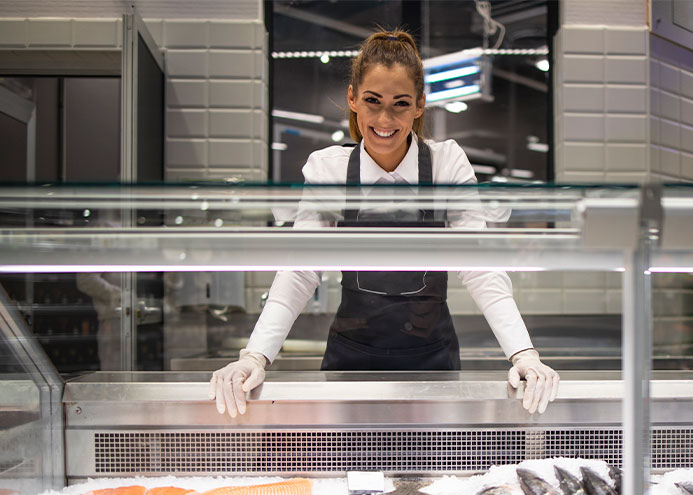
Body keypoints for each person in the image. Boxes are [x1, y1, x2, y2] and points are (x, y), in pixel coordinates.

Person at [209, 28, 559, 417]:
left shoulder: (446, 164)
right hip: (351, 360)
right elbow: (300, 269)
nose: (384, 118)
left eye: (400, 104)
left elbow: (480, 266)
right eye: (372, 101)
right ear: (352, 98)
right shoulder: (329, 169)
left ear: (420, 105)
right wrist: (254, 356)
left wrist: (524, 354)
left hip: (433, 361)